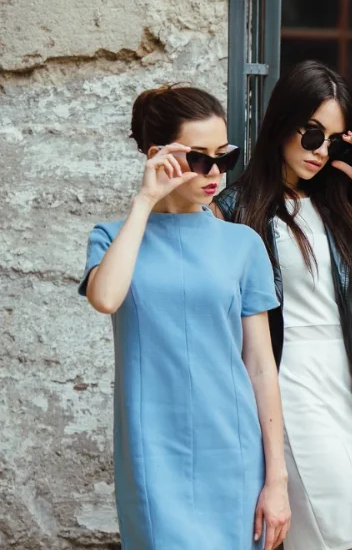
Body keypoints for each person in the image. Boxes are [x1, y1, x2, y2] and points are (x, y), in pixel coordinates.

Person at [80, 85, 290, 549]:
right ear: (161, 156)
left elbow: (260, 364)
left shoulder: (242, 246)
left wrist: (277, 479)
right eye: (199, 159)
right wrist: (143, 201)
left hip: (234, 449)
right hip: (152, 451)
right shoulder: (112, 238)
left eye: (225, 156)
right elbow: (106, 299)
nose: (215, 172)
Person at [215, 60, 352, 550]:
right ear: (283, 122)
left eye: (335, 142)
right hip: (290, 387)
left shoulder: (338, 209)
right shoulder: (234, 210)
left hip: (349, 390)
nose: (320, 151)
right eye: (312, 134)